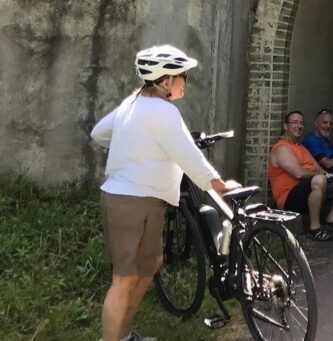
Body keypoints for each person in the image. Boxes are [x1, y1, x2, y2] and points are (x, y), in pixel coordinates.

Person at [90, 44, 242, 341]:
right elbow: (188, 155)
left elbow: (99, 133)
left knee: (149, 266)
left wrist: (133, 144)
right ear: (165, 80)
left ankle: (124, 336)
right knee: (124, 279)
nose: (186, 82)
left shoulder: (133, 103)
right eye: (183, 76)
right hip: (130, 202)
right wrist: (219, 185)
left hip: (145, 201)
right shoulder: (162, 111)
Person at [268, 110, 333, 241]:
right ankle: (315, 229)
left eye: (301, 123)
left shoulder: (301, 147)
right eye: (295, 122)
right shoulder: (281, 148)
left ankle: (331, 220)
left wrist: (329, 177)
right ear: (285, 126)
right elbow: (299, 173)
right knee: (320, 180)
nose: (299, 126)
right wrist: (323, 177)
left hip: (307, 191)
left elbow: (318, 168)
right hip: (288, 198)